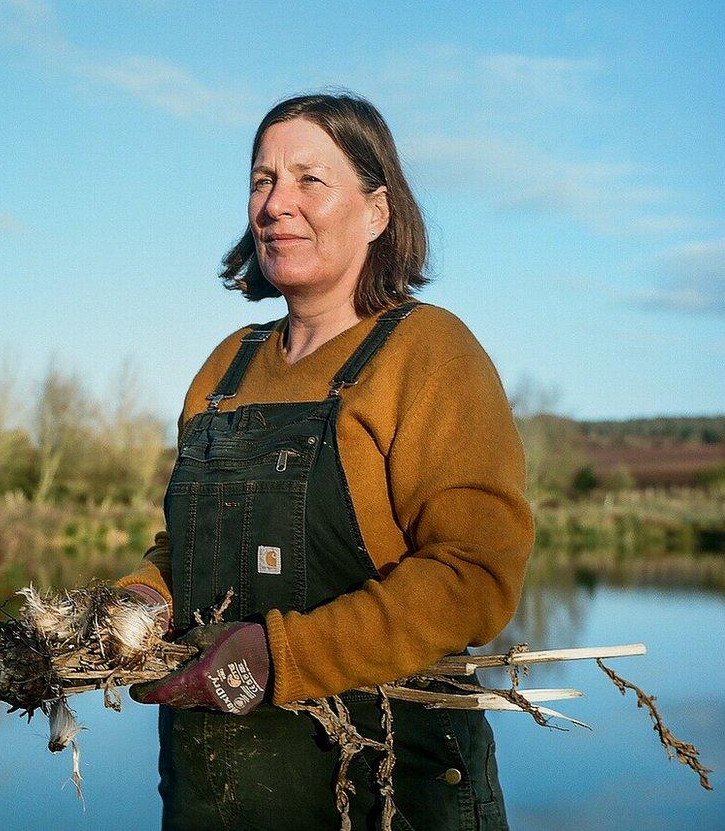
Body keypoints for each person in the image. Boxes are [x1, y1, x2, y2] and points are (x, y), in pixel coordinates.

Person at [117, 92, 534, 830]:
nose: (277, 203)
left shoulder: (430, 354)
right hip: (215, 795)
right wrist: (140, 602)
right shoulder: (226, 367)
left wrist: (281, 655)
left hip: (385, 792)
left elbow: (474, 575)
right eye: (261, 180)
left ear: (377, 211)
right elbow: (194, 553)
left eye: (310, 179)